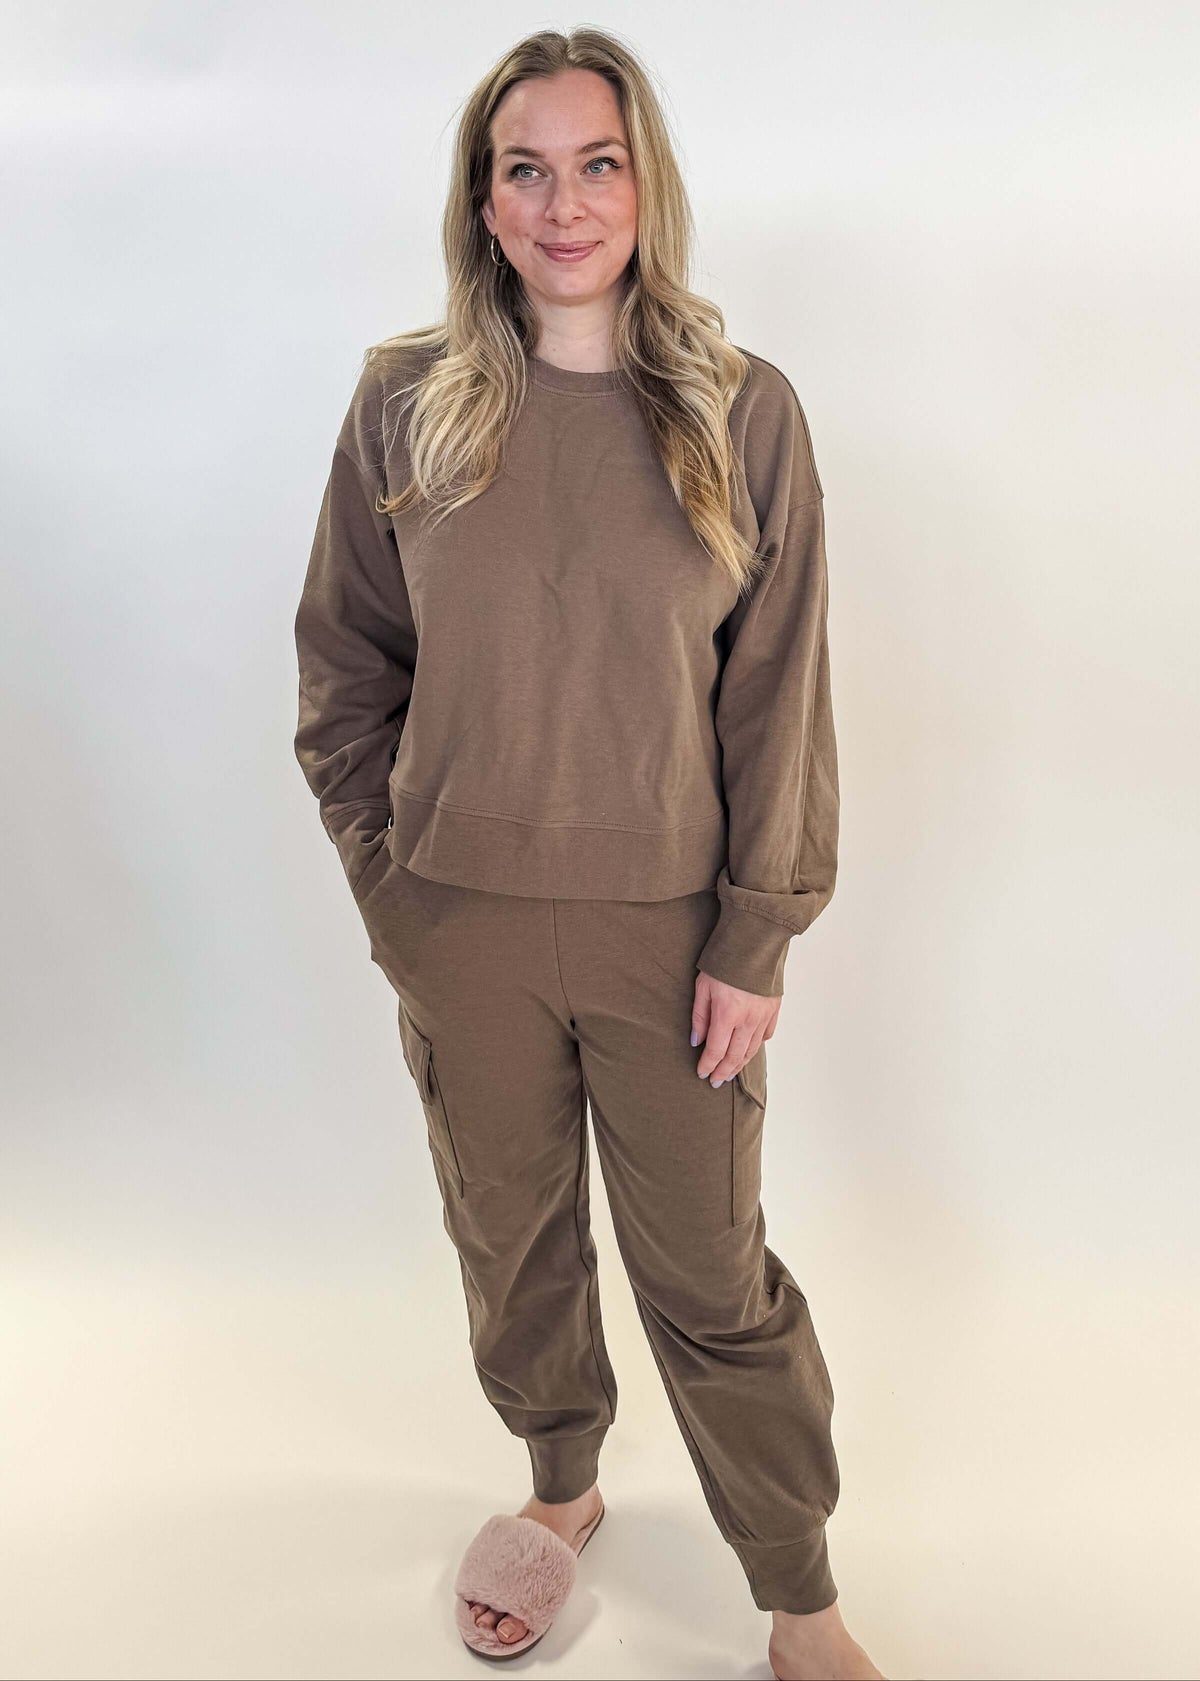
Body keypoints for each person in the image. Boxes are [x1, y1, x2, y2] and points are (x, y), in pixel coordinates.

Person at [292, 26, 884, 1681]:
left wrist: (756, 933)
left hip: (671, 939)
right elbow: (345, 666)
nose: (566, 205)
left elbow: (779, 696)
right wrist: (391, 881)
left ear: (646, 183)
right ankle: (560, 1486)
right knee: (513, 1238)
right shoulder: (402, 403)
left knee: (711, 1275)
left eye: (597, 164)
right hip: (459, 922)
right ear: (483, 201)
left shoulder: (742, 413)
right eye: (527, 170)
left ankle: (801, 1597)